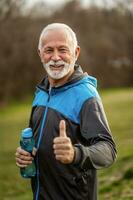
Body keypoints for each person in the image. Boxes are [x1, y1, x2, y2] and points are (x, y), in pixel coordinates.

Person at [15, 23, 117, 200]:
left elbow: (108, 150)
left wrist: (75, 154)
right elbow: (36, 139)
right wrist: (26, 154)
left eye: (62, 49)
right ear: (40, 54)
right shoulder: (41, 91)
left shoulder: (86, 95)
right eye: (48, 50)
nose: (55, 57)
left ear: (76, 53)